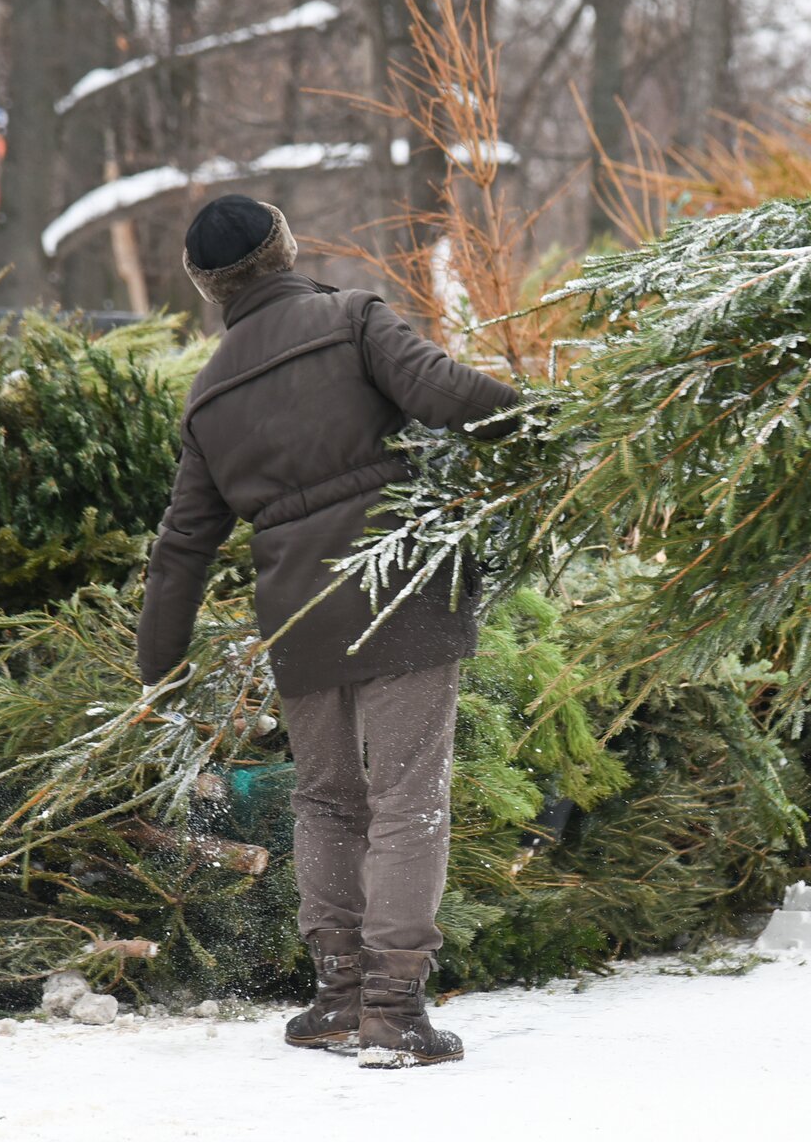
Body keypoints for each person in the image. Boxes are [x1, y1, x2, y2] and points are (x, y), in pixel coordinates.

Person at [136, 194, 519, 1069]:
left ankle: (339, 997)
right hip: (400, 587)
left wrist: (156, 667)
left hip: (299, 617)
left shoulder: (209, 395)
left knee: (327, 800)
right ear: (286, 247)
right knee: (407, 796)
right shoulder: (351, 320)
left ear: (205, 286)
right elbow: (450, 395)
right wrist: (548, 428)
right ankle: (394, 1010)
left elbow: (181, 548)